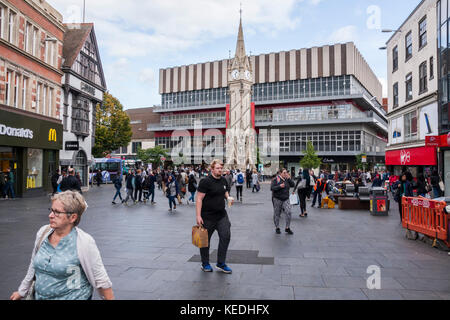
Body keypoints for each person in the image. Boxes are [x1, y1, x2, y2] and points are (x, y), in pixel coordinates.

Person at [10, 191, 114, 300]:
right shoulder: (43, 232)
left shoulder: (84, 242)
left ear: (73, 217)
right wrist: (22, 291)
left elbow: (101, 280)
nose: (50, 215)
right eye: (51, 210)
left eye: (57, 212)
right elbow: (33, 266)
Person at [196, 159, 233, 274]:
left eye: (221, 168)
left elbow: (225, 191)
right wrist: (198, 216)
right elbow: (199, 199)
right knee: (204, 241)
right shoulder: (205, 182)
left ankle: (221, 263)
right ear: (212, 169)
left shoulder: (223, 180)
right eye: (217, 168)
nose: (220, 170)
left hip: (221, 215)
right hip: (207, 216)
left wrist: (228, 197)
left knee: (225, 236)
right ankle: (205, 263)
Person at [271, 169, 295, 235]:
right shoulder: (276, 179)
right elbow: (272, 188)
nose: (285, 174)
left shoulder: (287, 179)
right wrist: (279, 186)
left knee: (288, 212)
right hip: (277, 199)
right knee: (277, 213)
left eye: (286, 173)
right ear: (280, 173)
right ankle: (277, 227)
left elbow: (293, 185)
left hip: (286, 199)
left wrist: (289, 179)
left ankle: (287, 227)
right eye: (284, 173)